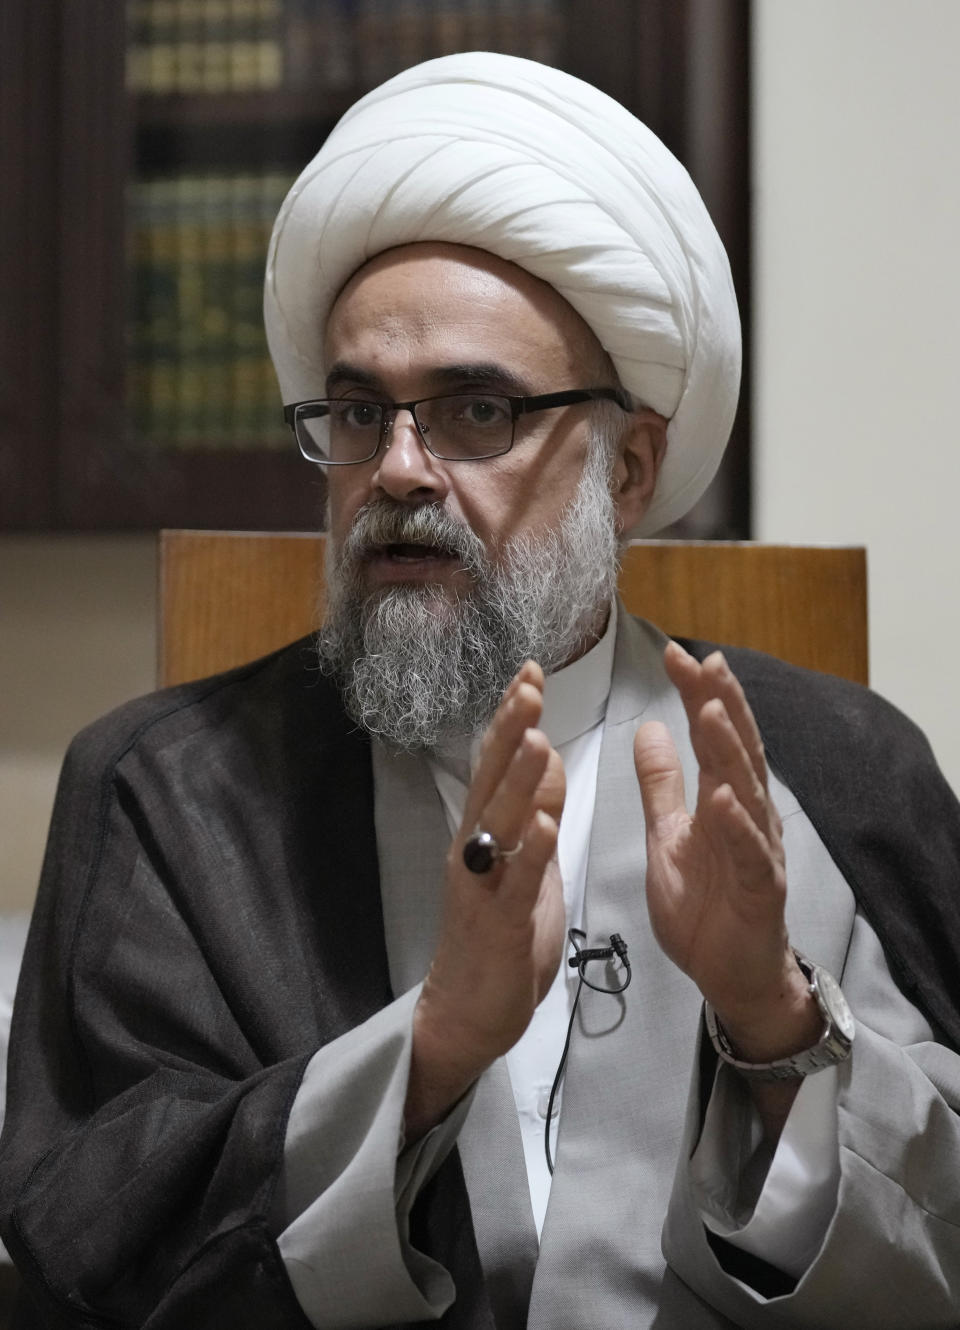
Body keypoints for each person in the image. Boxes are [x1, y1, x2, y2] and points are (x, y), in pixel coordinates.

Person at [3, 51, 960, 1330]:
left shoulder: (843, 776)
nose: (397, 468)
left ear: (626, 468)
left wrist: (773, 1020)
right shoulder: (168, 796)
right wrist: (436, 1045)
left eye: (476, 410)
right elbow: (87, 1241)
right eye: (356, 412)